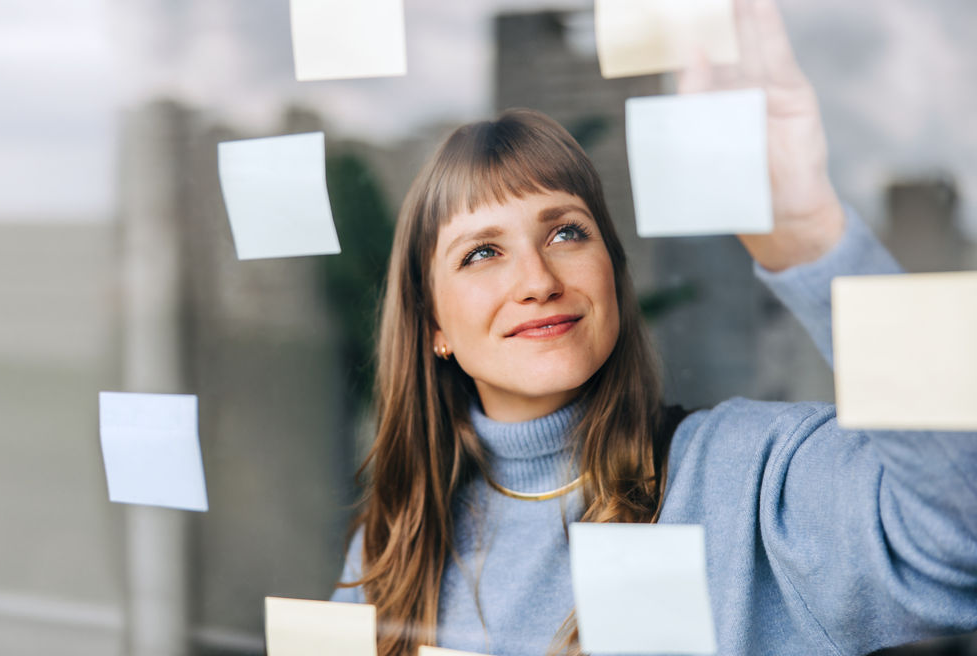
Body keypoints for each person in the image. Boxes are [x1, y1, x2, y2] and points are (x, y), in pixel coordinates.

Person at [329, 1, 977, 655]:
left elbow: (962, 534)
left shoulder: (741, 478)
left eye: (566, 231)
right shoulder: (395, 539)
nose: (537, 279)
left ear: (613, 268)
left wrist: (810, 236)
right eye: (482, 252)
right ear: (434, 324)